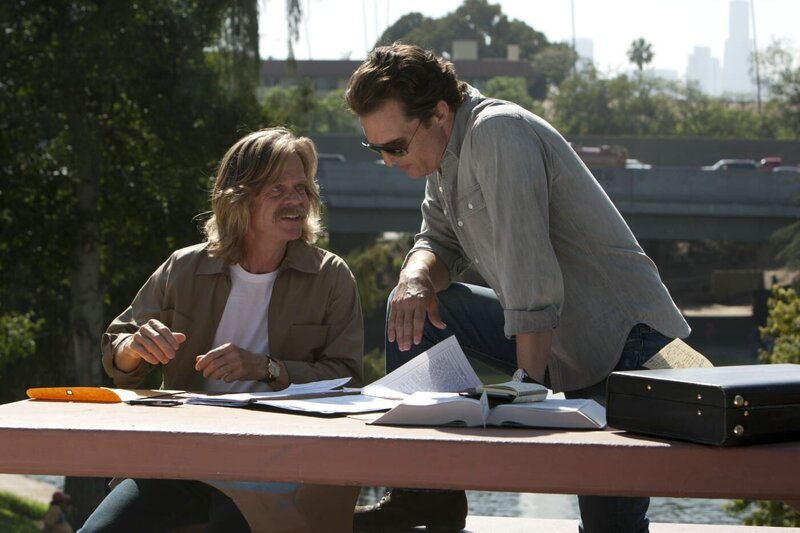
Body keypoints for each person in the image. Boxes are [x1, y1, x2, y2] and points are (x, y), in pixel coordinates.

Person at [345, 43, 690, 533]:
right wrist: (416, 275)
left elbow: (530, 272)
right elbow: (438, 241)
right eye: (376, 149)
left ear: (438, 113)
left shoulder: (497, 133)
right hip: (557, 342)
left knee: (612, 528)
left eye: (395, 146)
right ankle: (424, 492)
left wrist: (525, 394)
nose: (386, 160)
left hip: (627, 348)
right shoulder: (442, 153)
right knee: (415, 306)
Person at [79, 127, 364, 532]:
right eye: (278, 189)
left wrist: (267, 368)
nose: (296, 200)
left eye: (301, 188)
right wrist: (135, 349)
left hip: (279, 462)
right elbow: (118, 352)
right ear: (239, 198)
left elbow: (348, 380)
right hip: (182, 456)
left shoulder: (331, 276)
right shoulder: (184, 267)